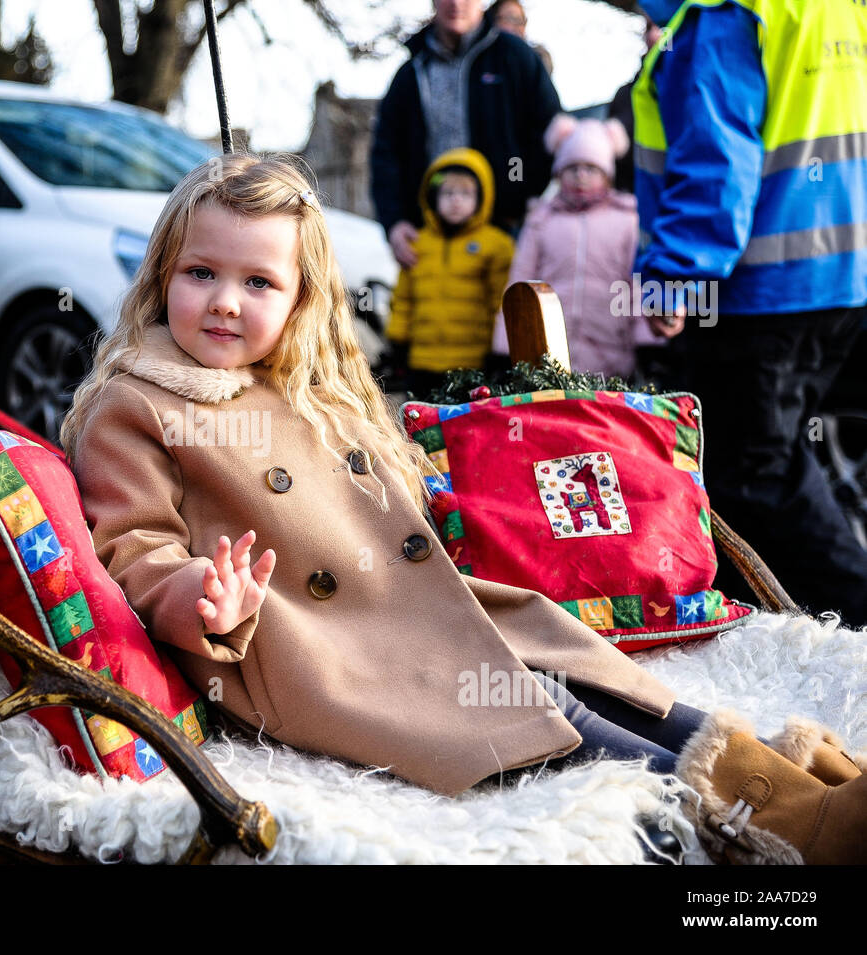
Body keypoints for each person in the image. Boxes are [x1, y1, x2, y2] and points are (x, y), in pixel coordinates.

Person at [60, 153, 866, 864]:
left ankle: (792, 773)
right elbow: (135, 548)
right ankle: (778, 828)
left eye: (258, 282)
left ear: (300, 298)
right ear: (163, 273)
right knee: (548, 712)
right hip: (308, 651)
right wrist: (203, 597)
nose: (226, 302)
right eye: (202, 273)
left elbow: (386, 493)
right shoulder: (134, 405)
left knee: (588, 667)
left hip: (409, 612)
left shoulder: (300, 384)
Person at [633, 0, 867, 627]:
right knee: (783, 463)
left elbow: (716, 158)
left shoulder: (722, 13)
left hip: (764, 289)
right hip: (841, 279)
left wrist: (671, 278)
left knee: (752, 480)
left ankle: (848, 632)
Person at [370, 0, 560, 268]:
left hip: (507, 234)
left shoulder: (515, 58)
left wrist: (517, 198)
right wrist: (394, 222)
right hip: (430, 238)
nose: (457, 3)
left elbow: (549, 130)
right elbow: (386, 153)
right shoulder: (412, 73)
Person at [490, 115, 659, 379]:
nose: (581, 176)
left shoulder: (627, 220)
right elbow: (519, 280)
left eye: (591, 169)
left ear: (607, 174)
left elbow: (638, 281)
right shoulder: (541, 220)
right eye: (573, 168)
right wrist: (505, 341)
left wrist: (646, 338)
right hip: (546, 353)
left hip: (612, 351)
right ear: (559, 173)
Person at [386, 147, 514, 396]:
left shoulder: (496, 245)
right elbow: (403, 298)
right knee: (421, 427)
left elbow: (501, 301)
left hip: (473, 364)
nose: (456, 200)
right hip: (422, 362)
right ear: (432, 197)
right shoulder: (418, 243)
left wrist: (501, 350)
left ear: (482, 197)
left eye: (466, 193)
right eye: (448, 192)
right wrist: (397, 340)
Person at [608, 12, 663, 195]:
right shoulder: (626, 95)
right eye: (648, 28)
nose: (654, 35)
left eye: (663, 26)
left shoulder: (697, 91)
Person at [487, 0, 553, 73]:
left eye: (521, 20)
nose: (518, 26)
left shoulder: (537, 58)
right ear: (493, 21)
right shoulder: (482, 57)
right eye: (511, 18)